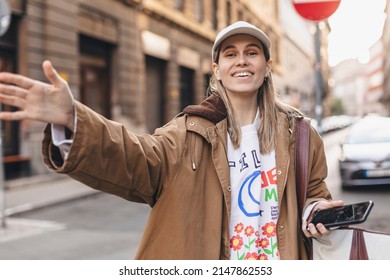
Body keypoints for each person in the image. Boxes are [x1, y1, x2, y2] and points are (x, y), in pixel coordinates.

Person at [0, 21, 343, 260]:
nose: (241, 60)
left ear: (267, 67)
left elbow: (313, 192)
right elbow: (133, 157)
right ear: (217, 69)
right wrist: (72, 117)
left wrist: (316, 211)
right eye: (230, 53)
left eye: (252, 52)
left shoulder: (299, 134)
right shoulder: (188, 132)